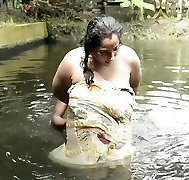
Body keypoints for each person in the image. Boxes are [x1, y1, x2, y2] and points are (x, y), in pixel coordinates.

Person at [49, 16, 141, 168]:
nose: (111, 57)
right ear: (90, 48)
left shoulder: (130, 59)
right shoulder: (72, 61)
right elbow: (60, 92)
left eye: (116, 49)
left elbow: (133, 90)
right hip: (81, 154)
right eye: (104, 52)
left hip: (120, 152)